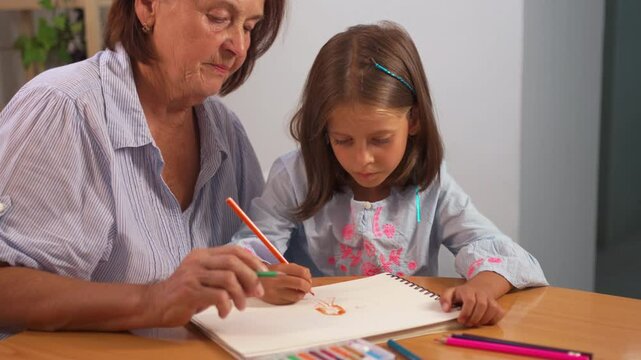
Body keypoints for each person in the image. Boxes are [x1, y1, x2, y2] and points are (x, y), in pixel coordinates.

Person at [231, 21, 548, 327]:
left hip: (409, 338)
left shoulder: (431, 183)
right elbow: (249, 253)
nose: (362, 159)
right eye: (343, 140)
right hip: (317, 335)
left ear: (414, 121)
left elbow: (498, 250)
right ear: (323, 129)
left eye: (380, 140)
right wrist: (263, 278)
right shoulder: (295, 176)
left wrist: (481, 289)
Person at [0, 0, 286, 339]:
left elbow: (249, 254)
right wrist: (153, 299)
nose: (238, 46)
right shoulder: (65, 107)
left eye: (249, 27)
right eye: (218, 18)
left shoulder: (225, 131)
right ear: (148, 7)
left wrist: (262, 277)